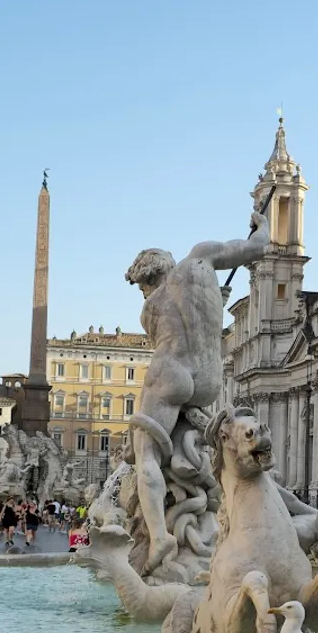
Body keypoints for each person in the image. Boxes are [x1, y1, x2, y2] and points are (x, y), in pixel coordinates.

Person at [125, 207, 271, 576]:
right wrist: (261, 225)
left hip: (172, 371)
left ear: (148, 276)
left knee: (145, 457)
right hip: (208, 380)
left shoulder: (149, 309)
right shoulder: (201, 258)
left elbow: (171, 334)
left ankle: (161, 537)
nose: (143, 293)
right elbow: (258, 247)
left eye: (141, 286)